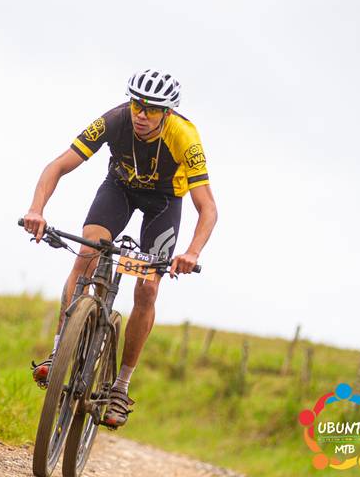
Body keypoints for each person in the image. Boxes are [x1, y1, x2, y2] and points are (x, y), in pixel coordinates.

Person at [22, 69, 218, 428]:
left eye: (152, 109)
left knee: (147, 288)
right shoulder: (114, 120)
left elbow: (207, 208)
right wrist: (37, 209)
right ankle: (60, 349)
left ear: (168, 112)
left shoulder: (185, 137)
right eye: (137, 104)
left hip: (163, 203)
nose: (141, 114)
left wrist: (192, 252)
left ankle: (120, 386)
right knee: (87, 253)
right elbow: (58, 165)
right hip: (119, 190)